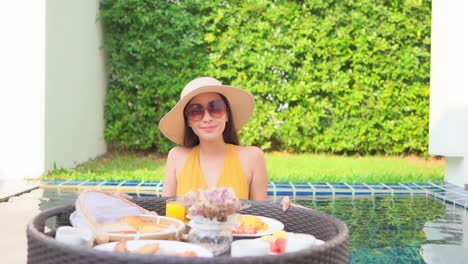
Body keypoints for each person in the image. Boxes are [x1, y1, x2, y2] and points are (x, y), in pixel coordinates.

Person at [159, 77, 268, 201]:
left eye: (215, 107)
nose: (207, 118)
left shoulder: (253, 157)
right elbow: (165, 215)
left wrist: (286, 209)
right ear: (188, 121)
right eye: (195, 111)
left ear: (227, 114)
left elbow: (262, 216)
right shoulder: (176, 157)